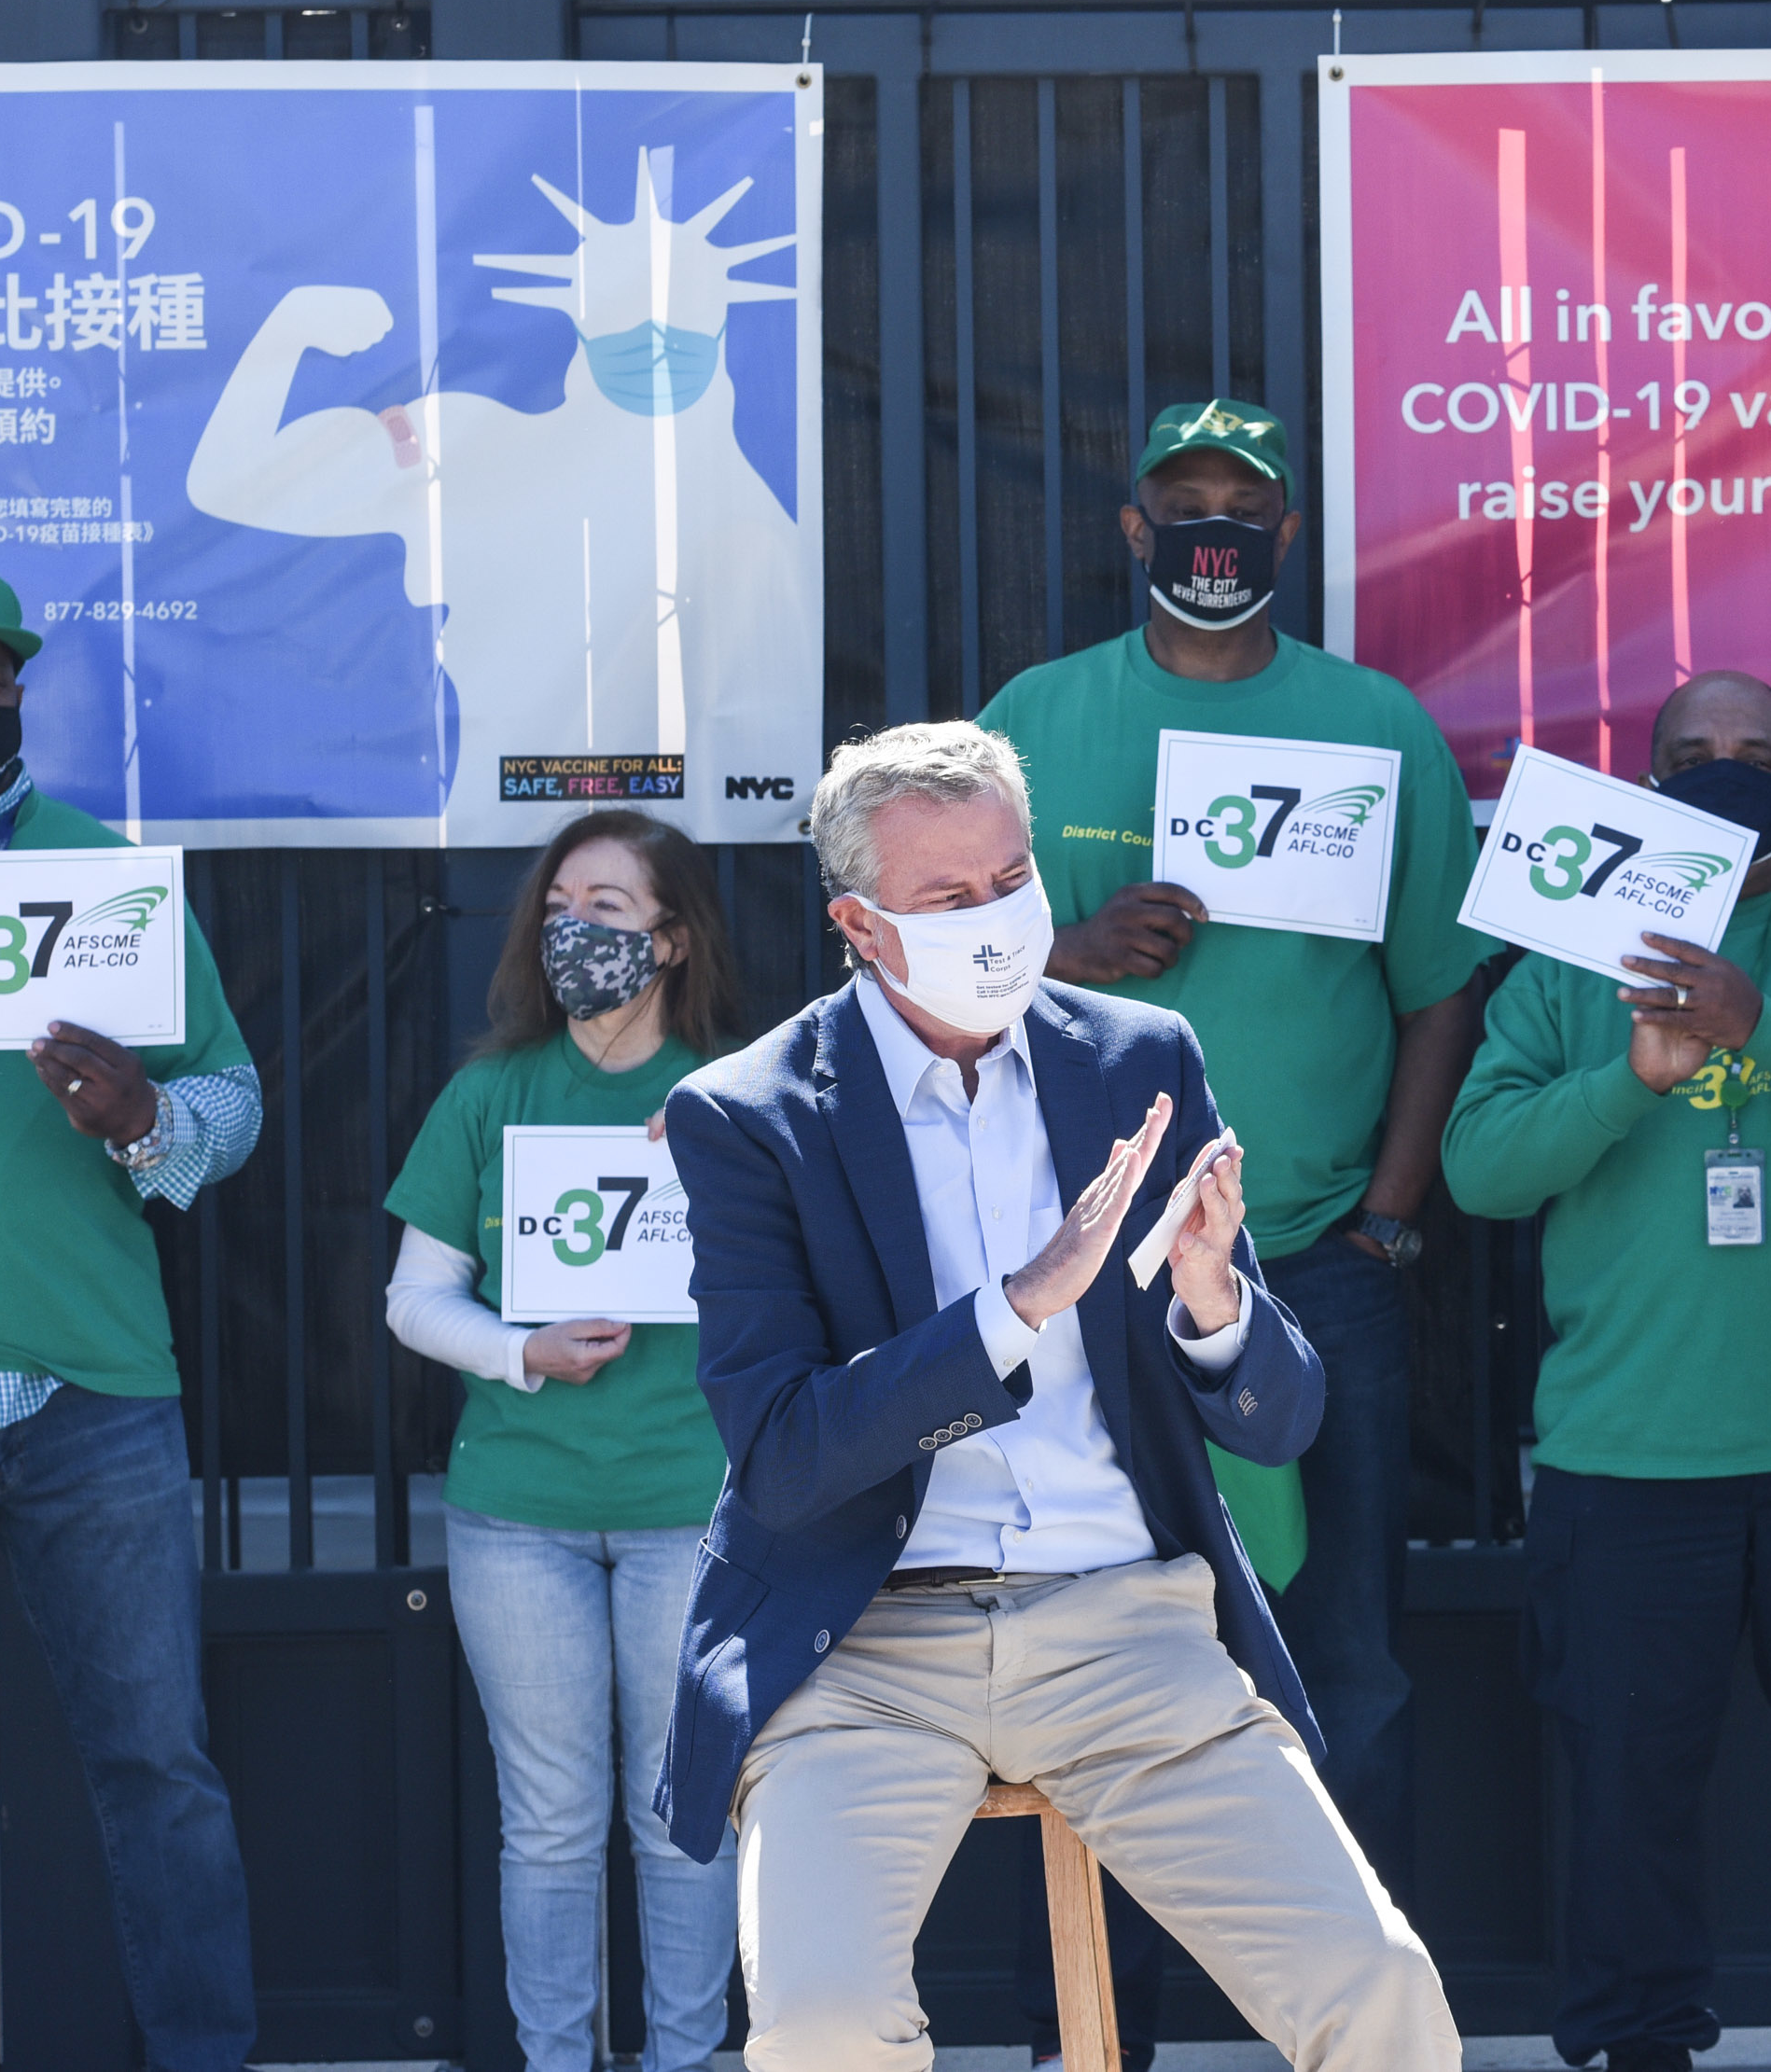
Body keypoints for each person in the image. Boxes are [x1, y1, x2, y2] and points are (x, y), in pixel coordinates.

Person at [654, 720, 1459, 2071]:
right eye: (949, 899)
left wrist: (1216, 1299)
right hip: (863, 1649)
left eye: (1013, 880)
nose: (998, 921)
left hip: (1126, 1626)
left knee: (1378, 1987)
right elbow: (784, 1457)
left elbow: (1283, 1417)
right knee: (820, 2027)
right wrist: (1015, 1307)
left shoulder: (1142, 1056)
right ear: (858, 921)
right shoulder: (750, 1115)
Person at [975, 396, 1486, 2060]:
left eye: (1242, 507)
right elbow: (918, 976)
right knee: (1101, 1647)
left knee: (1345, 1654)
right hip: (1089, 1276)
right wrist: (1064, 952)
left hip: (1318, 1261)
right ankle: (1105, 2019)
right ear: (1131, 531)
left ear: (1284, 537)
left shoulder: (1376, 722)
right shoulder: (1033, 722)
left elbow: (1438, 997)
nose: (1212, 532)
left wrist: (1393, 1219)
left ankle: (1350, 2027)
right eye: (1180, 503)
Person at [1443, 671, 1771, 2072]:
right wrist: (1632, 1078)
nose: (1726, 771)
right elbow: (1480, 1170)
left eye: (1755, 755)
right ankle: (1636, 2045)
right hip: (1629, 1458)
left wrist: (1760, 1026)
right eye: (1692, 755)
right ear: (1645, 783)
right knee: (1625, 1796)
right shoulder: (1565, 956)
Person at [0, 560, 266, 2068]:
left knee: (157, 1763)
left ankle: (204, 2053)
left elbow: (232, 1098)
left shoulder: (99, 869)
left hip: (96, 1389)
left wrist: (147, 1113)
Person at [382, 810, 748, 2072]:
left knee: (681, 1816)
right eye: (558, 907)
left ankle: (687, 2056)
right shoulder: (489, 1090)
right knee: (546, 1824)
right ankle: (557, 2059)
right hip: (517, 1511)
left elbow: (808, 1285)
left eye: (607, 906)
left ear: (674, 936)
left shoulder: (735, 1094)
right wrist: (518, 1350)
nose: (573, 930)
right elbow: (413, 1295)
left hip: (690, 1507)